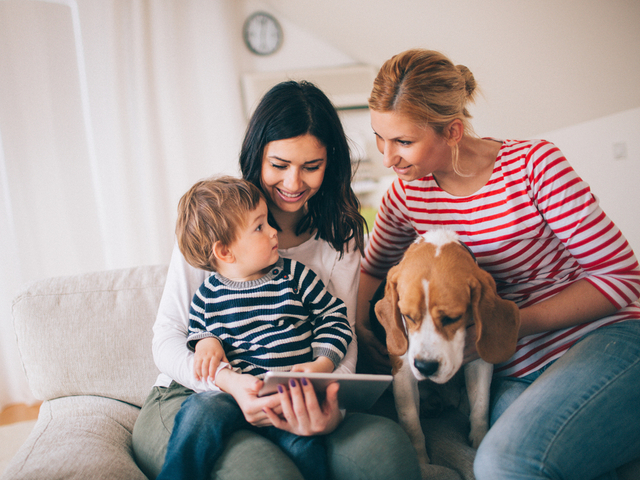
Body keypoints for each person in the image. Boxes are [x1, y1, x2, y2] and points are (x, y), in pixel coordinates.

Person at [356, 48, 640, 480]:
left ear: (452, 131)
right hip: (511, 367)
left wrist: (507, 326)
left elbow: (622, 278)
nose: (388, 157)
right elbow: (373, 268)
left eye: (404, 142)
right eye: (380, 137)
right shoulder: (405, 197)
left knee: (505, 463)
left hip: (601, 340)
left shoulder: (534, 167)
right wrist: (359, 328)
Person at [132, 80, 422, 480]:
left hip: (300, 392)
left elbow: (340, 330)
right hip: (200, 395)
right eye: (280, 165)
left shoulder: (341, 235)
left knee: (386, 455)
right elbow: (170, 336)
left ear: (330, 162)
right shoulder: (219, 217)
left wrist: (328, 406)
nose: (293, 183)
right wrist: (226, 382)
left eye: (311, 167)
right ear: (258, 156)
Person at [156, 176, 354, 480]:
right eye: (260, 227)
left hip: (287, 396)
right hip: (233, 396)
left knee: (307, 449)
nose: (274, 231)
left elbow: (334, 318)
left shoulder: (295, 276)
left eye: (268, 222)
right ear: (225, 252)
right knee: (197, 413)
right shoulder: (207, 296)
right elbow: (197, 334)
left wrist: (322, 363)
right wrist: (208, 343)